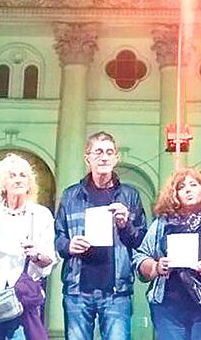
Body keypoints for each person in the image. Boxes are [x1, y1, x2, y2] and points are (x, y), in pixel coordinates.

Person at [54, 131, 147, 340]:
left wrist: (125, 225)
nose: (104, 157)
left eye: (109, 152)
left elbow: (141, 240)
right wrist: (69, 245)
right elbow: (58, 237)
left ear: (116, 158)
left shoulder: (130, 195)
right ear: (87, 158)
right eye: (98, 152)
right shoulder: (71, 195)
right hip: (77, 289)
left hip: (116, 290)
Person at [134, 168, 201, 340]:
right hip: (169, 310)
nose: (188, 189)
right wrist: (156, 267)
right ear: (174, 194)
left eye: (194, 185)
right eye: (181, 187)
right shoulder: (162, 223)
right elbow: (140, 258)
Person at [0, 153, 57, 340]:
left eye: (23, 175)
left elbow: (49, 260)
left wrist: (36, 254)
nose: (18, 180)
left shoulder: (41, 215)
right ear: (2, 184)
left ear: (30, 182)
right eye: (12, 175)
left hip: (24, 299)